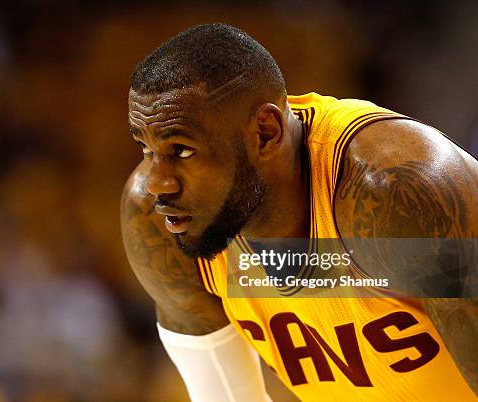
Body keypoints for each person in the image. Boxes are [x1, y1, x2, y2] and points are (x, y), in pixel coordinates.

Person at [121, 23, 477, 401]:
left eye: (182, 149)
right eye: (146, 148)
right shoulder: (159, 223)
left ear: (265, 134)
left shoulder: (398, 194)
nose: (158, 183)